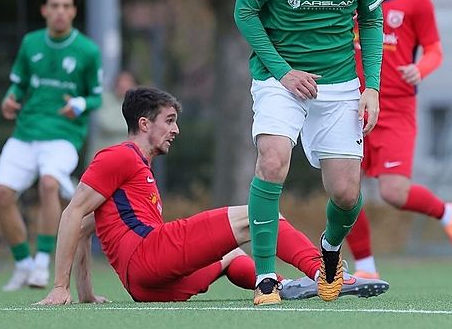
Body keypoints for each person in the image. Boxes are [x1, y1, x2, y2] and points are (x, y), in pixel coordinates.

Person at [36, 86, 389, 305]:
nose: (176, 129)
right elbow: (72, 214)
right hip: (148, 257)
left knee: (230, 255)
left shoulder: (137, 167)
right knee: (260, 215)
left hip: (145, 286)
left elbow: (83, 228)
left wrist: (84, 293)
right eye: (169, 120)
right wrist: (58, 287)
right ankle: (322, 272)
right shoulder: (119, 156)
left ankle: (282, 285)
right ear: (144, 124)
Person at [233, 0, 385, 305]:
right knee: (273, 160)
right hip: (280, 81)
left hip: (340, 86)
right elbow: (245, 14)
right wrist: (283, 73)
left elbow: (371, 21)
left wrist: (370, 87)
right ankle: (266, 278)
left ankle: (331, 256)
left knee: (346, 193)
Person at [345, 0, 452, 279]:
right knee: (344, 190)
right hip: (346, 105)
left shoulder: (416, 0)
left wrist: (422, 69)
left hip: (396, 107)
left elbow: (434, 50)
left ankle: (448, 213)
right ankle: (366, 268)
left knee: (393, 192)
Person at [0, 0, 103, 291]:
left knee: (49, 183)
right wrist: (10, 99)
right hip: (25, 133)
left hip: (63, 136)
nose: (60, 12)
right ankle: (23, 265)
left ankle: (42, 263)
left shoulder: (88, 51)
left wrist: (80, 104)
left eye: (66, 6)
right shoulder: (30, 44)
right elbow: (19, 84)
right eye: (54, 6)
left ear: (74, 11)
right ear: (44, 10)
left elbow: (95, 96)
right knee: (1, 194)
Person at [89, 70, 138, 157]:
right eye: (121, 81)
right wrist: (134, 126)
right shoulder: (105, 99)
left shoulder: (138, 104)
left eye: (127, 82)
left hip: (128, 158)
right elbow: (107, 124)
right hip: (104, 156)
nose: (123, 85)